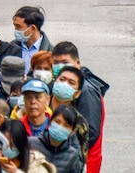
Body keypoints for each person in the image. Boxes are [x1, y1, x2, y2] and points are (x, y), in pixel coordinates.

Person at [51, 42, 109, 173]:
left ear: (77, 63)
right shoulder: (56, 86)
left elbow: (92, 132)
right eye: (56, 62)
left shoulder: (86, 90)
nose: (60, 66)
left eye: (64, 61)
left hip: (86, 162)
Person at [49, 66, 90, 164]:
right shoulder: (39, 108)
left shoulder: (79, 122)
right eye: (62, 79)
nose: (64, 84)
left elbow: (80, 160)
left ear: (77, 94)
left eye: (71, 83)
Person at [27, 106, 84, 173]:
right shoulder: (31, 143)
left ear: (72, 132)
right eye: (57, 122)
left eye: (66, 126)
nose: (60, 127)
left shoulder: (72, 156)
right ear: (50, 121)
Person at [12, 6, 52, 72]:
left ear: (33, 28)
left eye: (18, 26)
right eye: (14, 25)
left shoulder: (51, 52)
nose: (15, 30)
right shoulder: (10, 48)